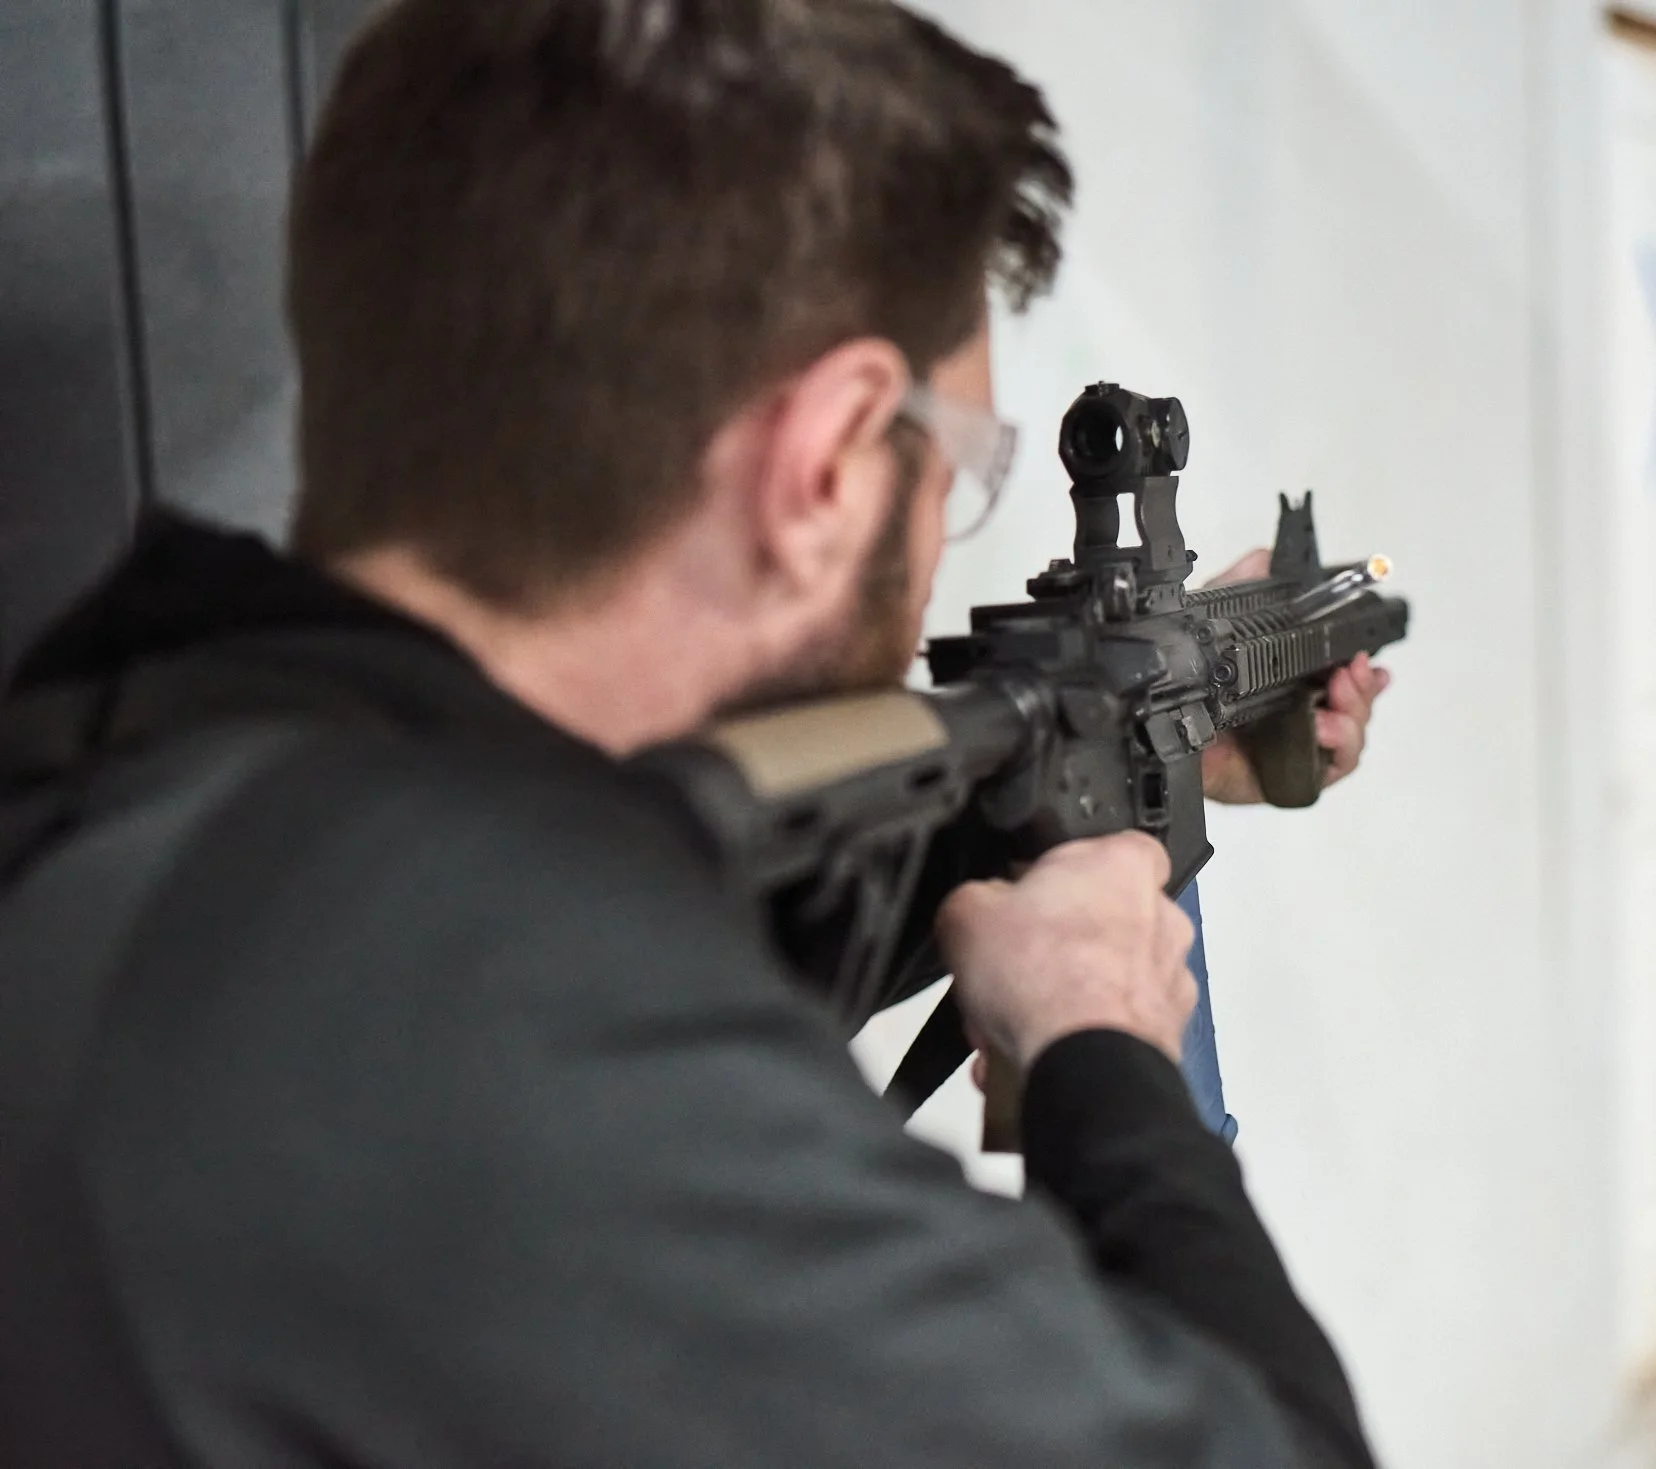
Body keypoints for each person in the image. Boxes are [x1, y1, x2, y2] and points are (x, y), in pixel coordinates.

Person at [0, 2, 1389, 1466]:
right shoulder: (512, 1038)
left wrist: (1119, 770)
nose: (937, 529)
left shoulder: (146, 769)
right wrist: (1104, 1051)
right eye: (952, 473)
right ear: (826, 463)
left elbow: (691, 895)